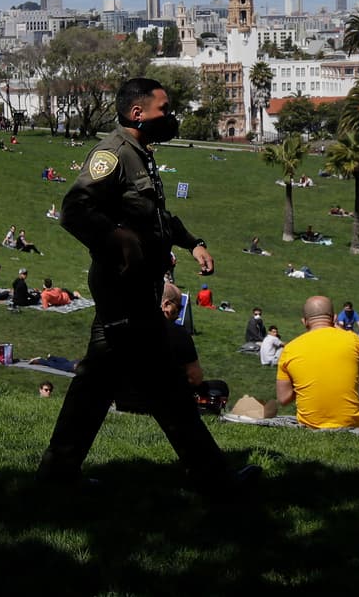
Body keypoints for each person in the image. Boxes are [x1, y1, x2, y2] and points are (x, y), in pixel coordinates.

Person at [38, 76, 253, 491]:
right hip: (123, 292)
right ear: (138, 113)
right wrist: (117, 239)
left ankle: (57, 474)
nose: (168, 117)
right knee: (164, 390)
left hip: (137, 290)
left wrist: (193, 243)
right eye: (163, 109)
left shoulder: (142, 155)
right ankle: (215, 479)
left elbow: (156, 217)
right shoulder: (113, 154)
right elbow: (74, 209)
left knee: (99, 386)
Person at [276, 295, 359, 429]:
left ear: (304, 321)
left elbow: (283, 399)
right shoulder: (352, 340)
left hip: (310, 425)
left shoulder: (290, 349)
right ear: (334, 318)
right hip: (350, 423)